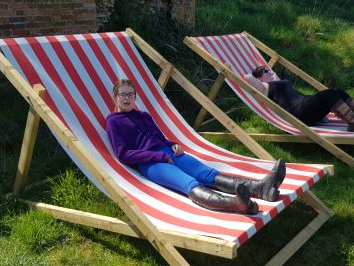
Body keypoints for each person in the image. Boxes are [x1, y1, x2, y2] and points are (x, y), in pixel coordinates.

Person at [106, 79, 286, 215]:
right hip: (151, 163)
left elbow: (160, 138)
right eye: (123, 94)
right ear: (115, 97)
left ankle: (262, 188)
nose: (127, 98)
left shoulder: (144, 115)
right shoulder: (113, 121)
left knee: (208, 174)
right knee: (189, 183)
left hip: (169, 153)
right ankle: (238, 204)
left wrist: (173, 145)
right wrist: (159, 157)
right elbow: (123, 154)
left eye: (130, 94)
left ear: (135, 97)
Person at [244, 66, 354, 132]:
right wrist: (262, 77)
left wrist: (270, 74)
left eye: (268, 70)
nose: (269, 71)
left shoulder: (275, 82)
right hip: (300, 113)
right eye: (264, 71)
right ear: (258, 78)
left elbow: (274, 77)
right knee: (328, 94)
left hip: (305, 104)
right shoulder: (263, 88)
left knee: (337, 91)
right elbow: (247, 77)